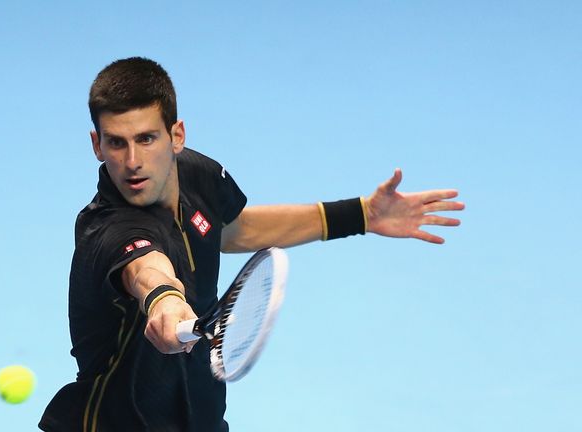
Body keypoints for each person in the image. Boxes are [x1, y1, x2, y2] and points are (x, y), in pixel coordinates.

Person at [39, 57, 464, 432]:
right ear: (97, 145)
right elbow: (146, 271)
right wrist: (166, 302)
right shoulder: (108, 229)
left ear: (177, 135)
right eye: (116, 142)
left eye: (146, 138)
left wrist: (361, 215)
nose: (132, 161)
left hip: (200, 416)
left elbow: (235, 231)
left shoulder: (200, 176)